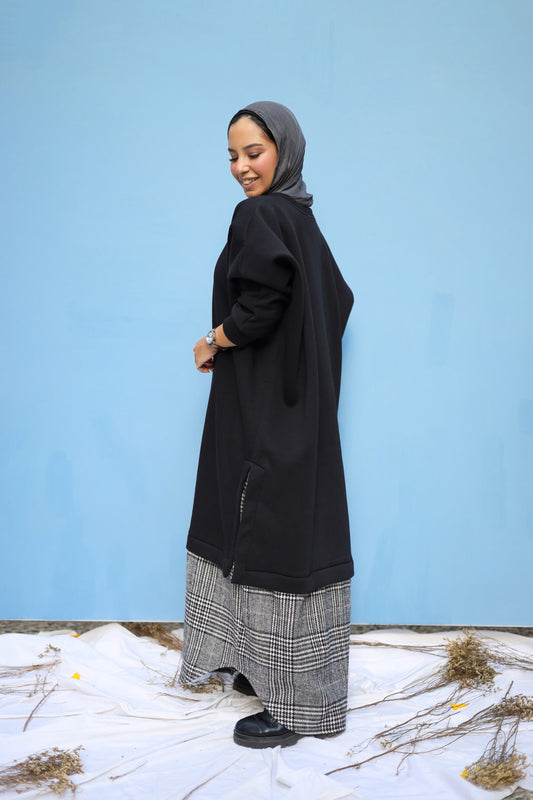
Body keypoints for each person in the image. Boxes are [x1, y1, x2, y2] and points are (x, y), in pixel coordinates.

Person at [179, 101, 354, 749]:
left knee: (261, 530)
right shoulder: (302, 218)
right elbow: (336, 301)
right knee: (284, 531)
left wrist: (214, 340)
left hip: (263, 409)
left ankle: (292, 706)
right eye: (232, 156)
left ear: (284, 149)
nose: (241, 167)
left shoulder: (259, 215)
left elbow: (262, 303)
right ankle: (269, 671)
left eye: (254, 152)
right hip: (303, 408)